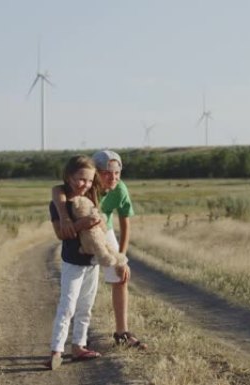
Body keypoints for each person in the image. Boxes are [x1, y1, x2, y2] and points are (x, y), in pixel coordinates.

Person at [53, 150, 147, 349]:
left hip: (106, 230)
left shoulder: (120, 189)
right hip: (84, 234)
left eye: (117, 173)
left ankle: (122, 333)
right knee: (79, 291)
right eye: (106, 172)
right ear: (96, 173)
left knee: (121, 276)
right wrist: (64, 216)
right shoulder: (86, 184)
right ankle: (72, 341)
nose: (112, 177)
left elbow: (125, 225)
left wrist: (122, 258)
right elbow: (57, 190)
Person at [47, 155, 103, 370]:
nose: (85, 185)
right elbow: (62, 234)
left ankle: (79, 345)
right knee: (67, 306)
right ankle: (57, 349)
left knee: (85, 306)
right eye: (81, 179)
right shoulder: (59, 205)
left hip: (92, 262)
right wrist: (82, 223)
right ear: (69, 177)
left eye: (89, 181)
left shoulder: (91, 198)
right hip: (73, 262)